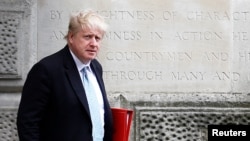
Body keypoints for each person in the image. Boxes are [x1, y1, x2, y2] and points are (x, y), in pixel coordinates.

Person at [16, 10, 113, 141]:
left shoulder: (96, 67)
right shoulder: (46, 70)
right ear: (71, 37)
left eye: (97, 38)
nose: (94, 43)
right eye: (87, 37)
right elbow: (28, 124)